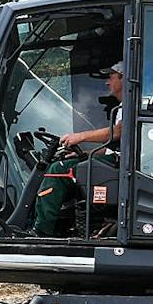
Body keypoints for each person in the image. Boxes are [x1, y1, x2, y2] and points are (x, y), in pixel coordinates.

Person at [33, 63, 124, 236]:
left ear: (122, 77)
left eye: (110, 76)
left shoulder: (132, 106)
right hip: (119, 160)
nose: (107, 82)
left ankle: (41, 231)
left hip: (124, 166)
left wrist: (80, 136)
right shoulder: (122, 108)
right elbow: (112, 151)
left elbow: (119, 132)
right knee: (70, 163)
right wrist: (84, 154)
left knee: (58, 170)